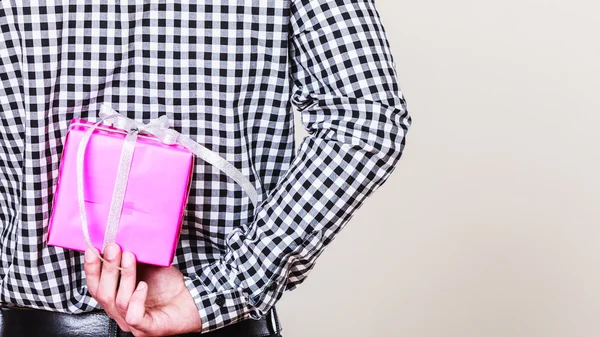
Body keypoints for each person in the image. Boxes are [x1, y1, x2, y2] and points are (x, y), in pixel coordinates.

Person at [0, 1, 412, 336]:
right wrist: (229, 286)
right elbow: (367, 117)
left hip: (35, 322)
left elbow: (365, 118)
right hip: (220, 320)